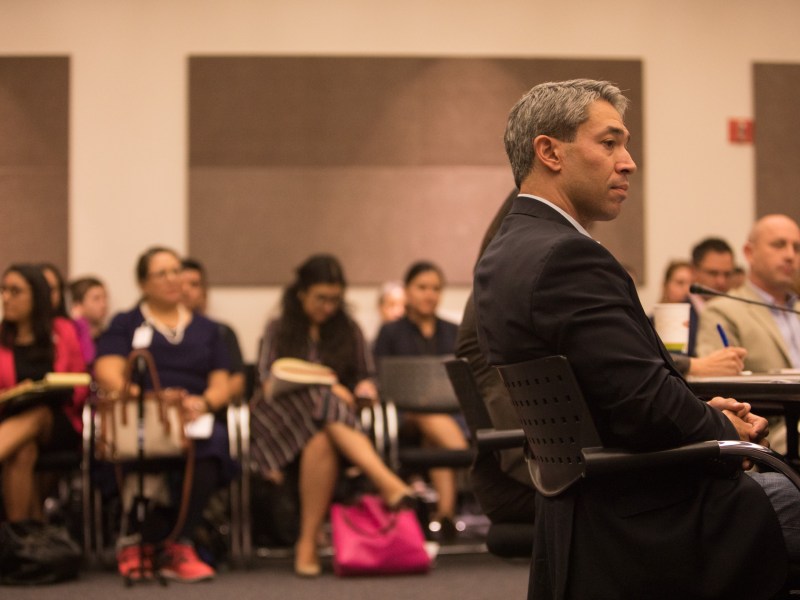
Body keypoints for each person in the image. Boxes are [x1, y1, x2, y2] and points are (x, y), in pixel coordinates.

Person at [474, 79, 799, 599]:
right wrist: (725, 426)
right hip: (644, 515)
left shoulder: (504, 253)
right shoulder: (568, 257)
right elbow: (644, 407)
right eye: (609, 143)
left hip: (586, 505)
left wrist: (706, 412)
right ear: (549, 151)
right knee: (788, 490)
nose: (628, 161)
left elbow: (619, 393)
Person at [250, 254, 413, 578]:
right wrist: (328, 383)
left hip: (328, 424)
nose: (328, 307)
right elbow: (268, 381)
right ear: (301, 294)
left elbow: (367, 375)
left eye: (335, 300)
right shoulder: (279, 328)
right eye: (320, 299)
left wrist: (365, 389)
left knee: (321, 436)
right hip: (277, 418)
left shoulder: (348, 329)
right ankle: (384, 478)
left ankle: (307, 543)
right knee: (322, 395)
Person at [95, 247, 233, 583]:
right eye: (162, 273)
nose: (174, 279)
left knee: (213, 439)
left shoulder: (207, 329)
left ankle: (178, 544)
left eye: (177, 271)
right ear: (143, 283)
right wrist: (153, 401)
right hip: (140, 414)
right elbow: (108, 372)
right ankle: (134, 541)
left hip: (190, 415)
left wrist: (201, 403)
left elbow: (221, 382)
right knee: (122, 443)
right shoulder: (125, 324)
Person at [455, 190, 536, 526]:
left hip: (510, 464)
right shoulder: (512, 293)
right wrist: (688, 367)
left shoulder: (490, 285)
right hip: (532, 473)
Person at [373, 261, 468, 539]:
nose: (429, 295)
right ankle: (462, 454)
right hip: (404, 416)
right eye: (422, 287)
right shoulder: (390, 332)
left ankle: (445, 515)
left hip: (450, 415)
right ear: (408, 291)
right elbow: (382, 379)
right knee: (429, 418)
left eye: (436, 288)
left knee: (434, 433)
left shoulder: (455, 331)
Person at [0, 264, 88, 523]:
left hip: (59, 421)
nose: (6, 298)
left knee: (38, 413)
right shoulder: (1, 339)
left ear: (36, 296)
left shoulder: (62, 331)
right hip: (11, 422)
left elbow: (81, 382)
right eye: (3, 290)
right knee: (23, 451)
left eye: (15, 291)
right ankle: (23, 537)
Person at [696, 214, 800, 372]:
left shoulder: (796, 307)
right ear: (750, 253)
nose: (790, 255)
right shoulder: (722, 311)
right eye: (779, 245)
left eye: (797, 248)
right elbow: (715, 382)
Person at [180, 258, 246, 401]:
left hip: (206, 408)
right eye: (179, 284)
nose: (185, 290)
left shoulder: (220, 331)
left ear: (204, 292)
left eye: (194, 284)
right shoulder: (156, 333)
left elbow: (237, 381)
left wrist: (206, 402)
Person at [686, 237, 736, 355]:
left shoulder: (739, 313)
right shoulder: (675, 316)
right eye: (713, 273)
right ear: (693, 271)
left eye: (727, 274)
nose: (721, 281)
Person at [68, 276, 109, 366]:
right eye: (96, 299)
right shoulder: (71, 334)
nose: (104, 304)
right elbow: (89, 360)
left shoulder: (107, 333)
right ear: (78, 304)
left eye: (105, 298)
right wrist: (81, 324)